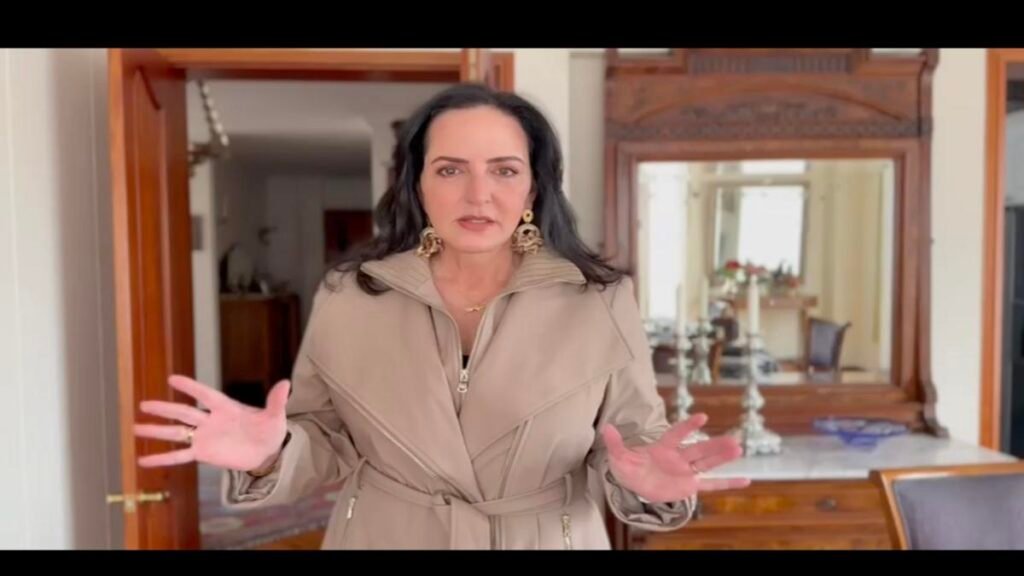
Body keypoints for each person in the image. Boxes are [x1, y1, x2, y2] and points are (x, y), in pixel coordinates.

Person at [133, 83, 751, 550]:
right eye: (450, 169)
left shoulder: (601, 299)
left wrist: (643, 481)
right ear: (418, 185)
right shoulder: (350, 295)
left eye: (504, 170)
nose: (478, 194)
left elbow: (629, 442)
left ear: (534, 188)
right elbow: (323, 439)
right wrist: (270, 454)